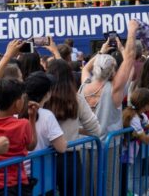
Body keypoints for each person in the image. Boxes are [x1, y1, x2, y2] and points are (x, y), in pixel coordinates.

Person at [0, 39, 38, 195]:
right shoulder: (23, 124)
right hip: (15, 185)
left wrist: (7, 56)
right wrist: (32, 118)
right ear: (17, 103)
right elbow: (31, 145)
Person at [46, 59, 101, 196]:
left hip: (44, 157)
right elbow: (96, 130)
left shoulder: (41, 99)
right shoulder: (76, 99)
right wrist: (76, 129)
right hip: (69, 157)